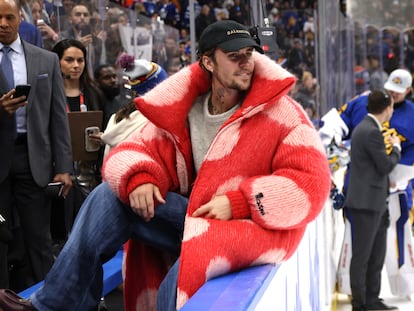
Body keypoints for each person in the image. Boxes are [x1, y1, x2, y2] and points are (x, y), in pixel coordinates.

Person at [0, 20, 331, 311]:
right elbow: (130, 150)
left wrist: (240, 202)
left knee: (187, 267)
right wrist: (141, 178)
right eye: (235, 56)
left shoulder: (282, 112)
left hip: (244, 228)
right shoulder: (183, 108)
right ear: (208, 62)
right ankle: (54, 306)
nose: (246, 63)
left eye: (249, 54)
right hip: (191, 216)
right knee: (108, 196)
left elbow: (311, 184)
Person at [0, 0, 72, 291]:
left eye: (9, 17)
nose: (2, 23)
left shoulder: (46, 60)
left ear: (21, 20)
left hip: (34, 161)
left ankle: (49, 300)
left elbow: (58, 118)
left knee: (39, 240)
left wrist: (64, 167)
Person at [345, 90, 401, 311]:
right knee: (363, 256)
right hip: (366, 203)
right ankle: (360, 304)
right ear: (387, 108)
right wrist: (396, 147)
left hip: (374, 201)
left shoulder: (369, 129)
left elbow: (374, 168)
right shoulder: (370, 131)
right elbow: (385, 165)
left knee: (376, 254)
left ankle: (371, 299)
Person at [51, 38, 104, 236]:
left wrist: (103, 137)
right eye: (69, 60)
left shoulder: (93, 93)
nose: (76, 66)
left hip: (88, 172)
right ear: (57, 61)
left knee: (89, 231)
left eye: (80, 60)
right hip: (56, 171)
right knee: (61, 231)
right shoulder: (48, 92)